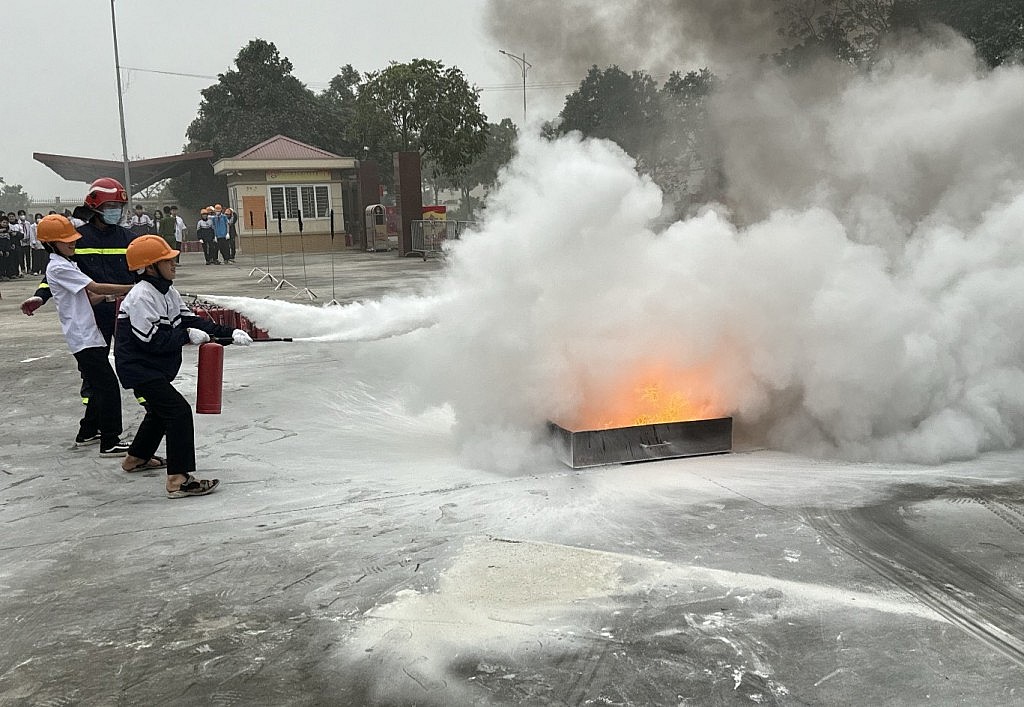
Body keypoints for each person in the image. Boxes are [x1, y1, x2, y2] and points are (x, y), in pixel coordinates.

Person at [115, 235, 252, 497]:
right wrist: (185, 336)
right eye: (167, 260)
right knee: (177, 412)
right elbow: (152, 340)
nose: (174, 264)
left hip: (155, 368)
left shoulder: (167, 292)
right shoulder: (142, 296)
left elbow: (192, 321)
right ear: (149, 267)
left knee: (159, 412)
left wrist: (228, 334)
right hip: (140, 368)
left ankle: (136, 458)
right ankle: (178, 479)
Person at [21, 178, 142, 442]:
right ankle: (102, 430)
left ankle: (91, 429)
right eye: (111, 206)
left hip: (123, 313)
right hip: (91, 316)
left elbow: (142, 273)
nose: (116, 212)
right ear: (95, 207)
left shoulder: (130, 239)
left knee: (131, 361)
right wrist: (40, 297)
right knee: (97, 377)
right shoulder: (75, 240)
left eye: (120, 206)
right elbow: (59, 278)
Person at [37, 214, 134, 456]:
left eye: (73, 239)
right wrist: (135, 288)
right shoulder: (58, 267)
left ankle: (88, 431)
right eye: (66, 240)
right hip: (82, 337)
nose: (72, 243)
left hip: (88, 334)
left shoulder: (68, 264)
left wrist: (116, 296)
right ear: (50, 244)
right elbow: (95, 287)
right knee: (108, 386)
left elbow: (90, 297)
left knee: (100, 385)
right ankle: (110, 441)